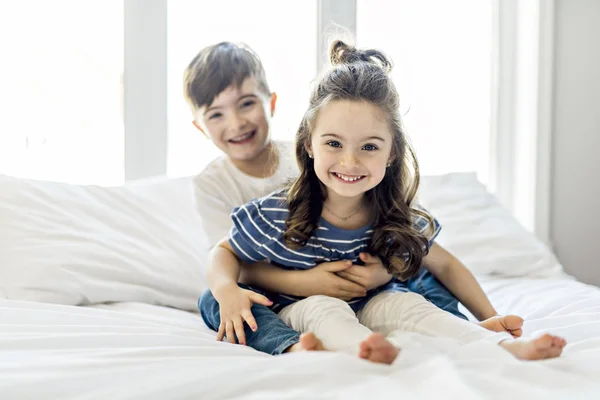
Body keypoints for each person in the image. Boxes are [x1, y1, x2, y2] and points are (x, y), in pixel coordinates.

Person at [185, 41, 528, 356]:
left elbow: (445, 263)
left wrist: (387, 271)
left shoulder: (371, 195)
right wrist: (299, 283)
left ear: (392, 152)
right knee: (216, 298)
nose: (349, 162)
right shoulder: (272, 202)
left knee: (414, 278)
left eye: (369, 147)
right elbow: (230, 256)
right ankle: (295, 348)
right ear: (311, 146)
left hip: (370, 291)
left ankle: (476, 335)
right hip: (288, 294)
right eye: (333, 144)